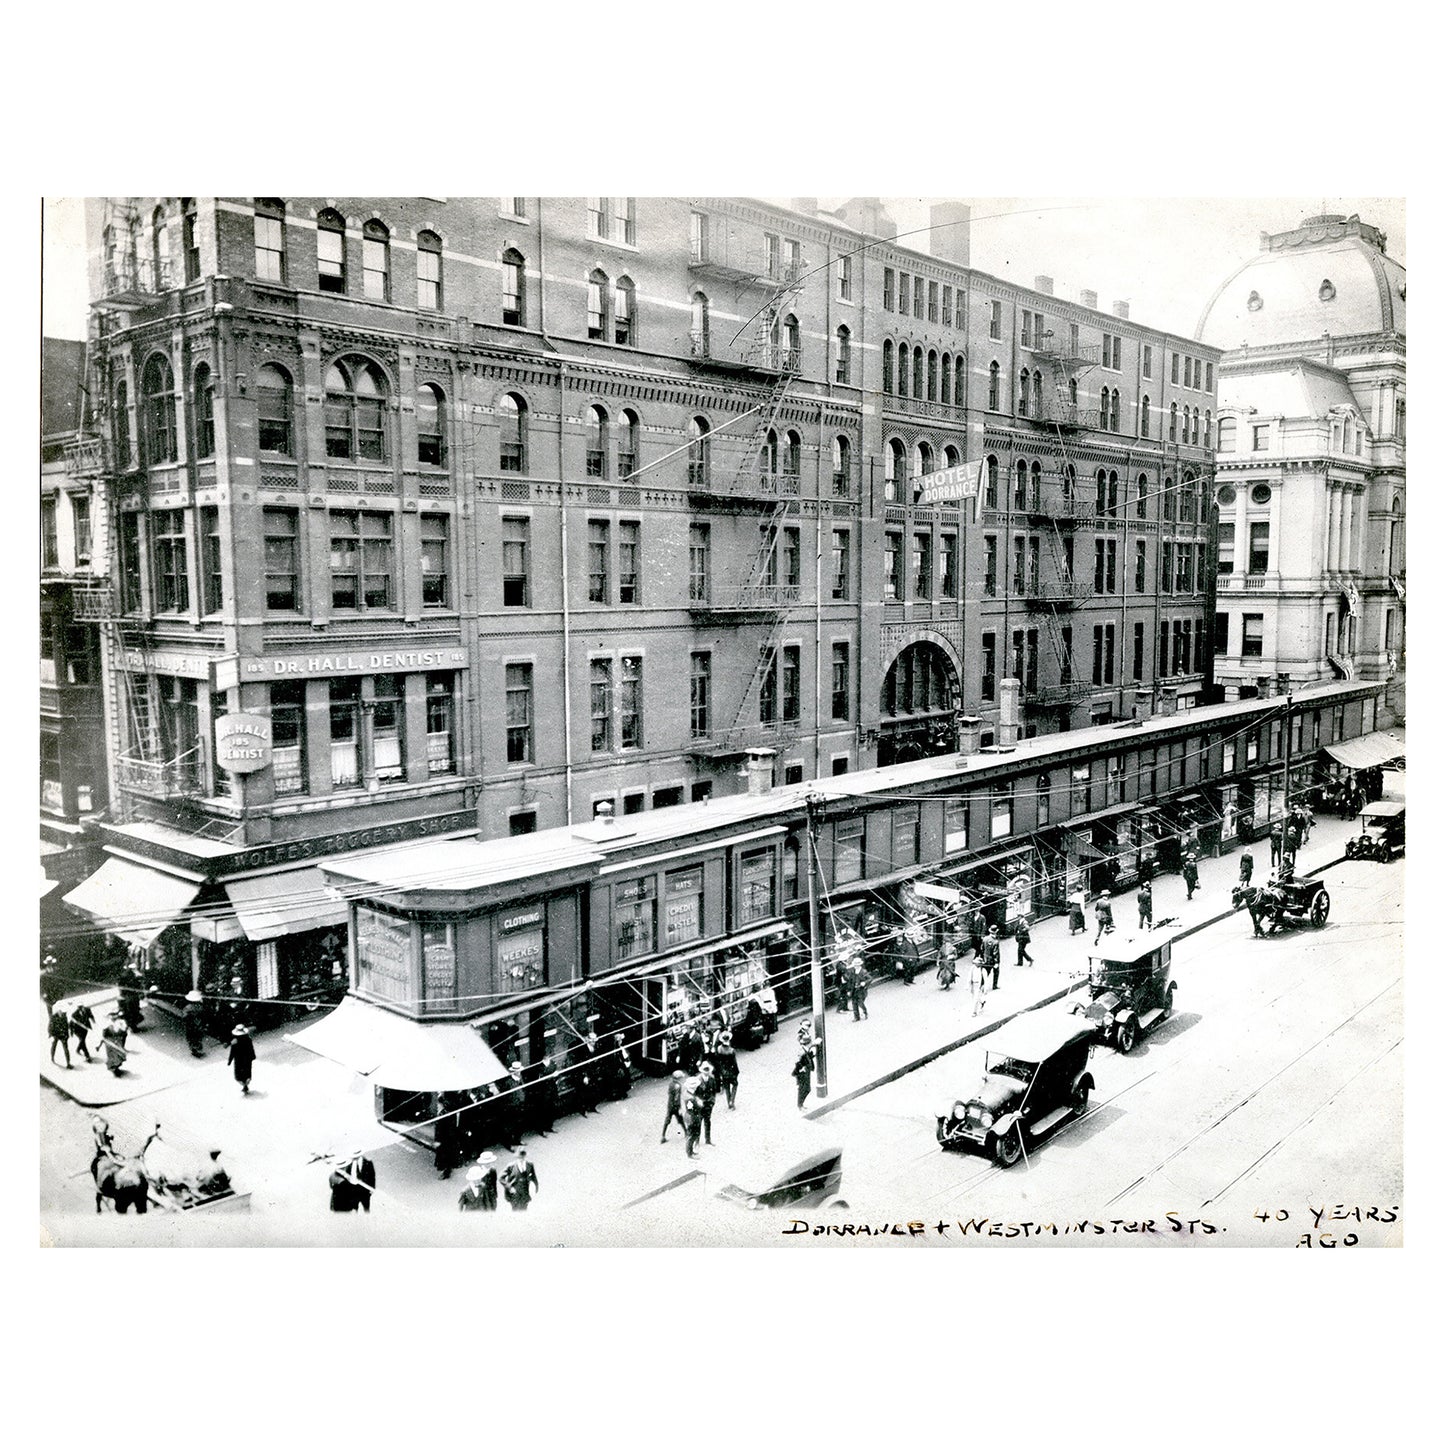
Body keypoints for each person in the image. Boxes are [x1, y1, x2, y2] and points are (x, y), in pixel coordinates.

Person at [434, 1092, 464, 1180]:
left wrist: (438, 1140)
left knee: (445, 1156)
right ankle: (450, 1167)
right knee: (448, 1154)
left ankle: (446, 1172)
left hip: (445, 1139)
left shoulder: (443, 1114)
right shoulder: (445, 1113)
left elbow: (440, 1129)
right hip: (448, 1137)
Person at [531, 1056, 560, 1136]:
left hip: (552, 1090)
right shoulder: (539, 1066)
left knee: (552, 1108)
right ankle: (541, 1129)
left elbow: (556, 1074)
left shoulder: (552, 1063)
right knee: (542, 1110)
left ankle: (549, 1126)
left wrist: (555, 1077)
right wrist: (552, 1075)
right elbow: (540, 1078)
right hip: (543, 1091)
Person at [694, 1061, 719, 1146]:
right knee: (698, 1123)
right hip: (700, 1104)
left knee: (707, 1122)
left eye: (707, 1070)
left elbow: (714, 1092)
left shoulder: (712, 1079)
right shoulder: (697, 1079)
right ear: (702, 1070)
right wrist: (697, 1100)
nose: (706, 1071)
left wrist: (712, 1101)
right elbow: (694, 1093)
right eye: (705, 1070)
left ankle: (708, 1140)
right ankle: (696, 1141)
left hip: (708, 1104)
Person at [713, 1030, 740, 1109]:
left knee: (727, 1087)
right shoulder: (731, 1051)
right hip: (731, 1070)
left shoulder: (719, 1049)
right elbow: (734, 1063)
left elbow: (718, 1061)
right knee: (735, 1085)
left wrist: (720, 1071)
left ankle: (729, 1103)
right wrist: (737, 1071)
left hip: (723, 1071)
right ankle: (732, 1100)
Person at [660, 1069, 688, 1143]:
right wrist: (679, 1107)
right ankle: (686, 1133)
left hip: (670, 1105)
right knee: (681, 1119)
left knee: (667, 1120)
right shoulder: (678, 1086)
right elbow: (677, 1098)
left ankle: (663, 1136)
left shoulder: (671, 1084)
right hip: (675, 1106)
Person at [228, 1024, 256, 1095]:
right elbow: (251, 1049)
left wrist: (230, 1060)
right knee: (246, 1072)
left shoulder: (235, 1041)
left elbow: (232, 1051)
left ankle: (244, 1085)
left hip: (238, 1059)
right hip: (247, 1059)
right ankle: (246, 1085)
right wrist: (252, 1057)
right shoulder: (248, 1039)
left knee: (239, 1073)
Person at [682, 1075, 705, 1158]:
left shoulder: (687, 1093)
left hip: (689, 1116)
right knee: (692, 1135)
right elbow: (693, 1109)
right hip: (693, 1117)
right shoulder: (691, 1098)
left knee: (691, 1135)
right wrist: (699, 1104)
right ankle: (689, 1153)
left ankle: (690, 1151)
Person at [182, 990, 206, 1058]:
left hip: (190, 1025)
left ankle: (194, 1050)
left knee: (191, 1038)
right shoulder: (200, 1006)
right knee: (198, 1038)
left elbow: (184, 1017)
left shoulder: (187, 1007)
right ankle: (199, 1049)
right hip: (199, 1024)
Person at [792, 1041, 815, 1111]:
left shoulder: (805, 1050)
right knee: (803, 1089)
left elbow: (808, 1058)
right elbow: (798, 1062)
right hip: (802, 1075)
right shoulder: (802, 1052)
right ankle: (800, 1105)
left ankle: (801, 1104)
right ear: (807, 1044)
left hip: (806, 1074)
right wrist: (801, 1068)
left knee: (807, 1089)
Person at [47, 1004, 72, 1068]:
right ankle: (52, 1057)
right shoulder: (53, 1017)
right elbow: (50, 1027)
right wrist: (51, 1034)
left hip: (63, 1035)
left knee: (66, 1049)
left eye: (65, 1012)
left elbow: (66, 1026)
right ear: (58, 1011)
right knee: (54, 1046)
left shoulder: (64, 1016)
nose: (64, 1013)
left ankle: (68, 1063)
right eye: (63, 1012)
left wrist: (67, 1035)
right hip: (56, 1035)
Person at [982, 925, 1002, 990]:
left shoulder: (985, 939)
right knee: (996, 972)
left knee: (986, 973)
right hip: (993, 960)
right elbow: (995, 953)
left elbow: (982, 948)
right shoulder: (995, 942)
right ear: (996, 932)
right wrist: (996, 962)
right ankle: (994, 986)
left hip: (986, 959)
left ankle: (981, 985)